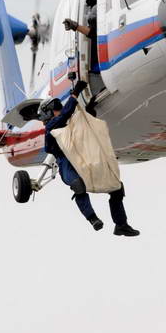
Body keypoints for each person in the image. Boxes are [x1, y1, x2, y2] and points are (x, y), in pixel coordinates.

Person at [38, 81, 140, 237]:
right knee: (78, 186)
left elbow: (82, 127)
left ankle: (121, 225)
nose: (59, 110)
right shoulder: (51, 127)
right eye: (56, 108)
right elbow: (66, 114)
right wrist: (75, 93)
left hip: (84, 160)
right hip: (68, 166)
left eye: (59, 107)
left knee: (117, 187)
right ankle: (92, 218)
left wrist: (89, 112)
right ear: (48, 114)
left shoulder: (68, 124)